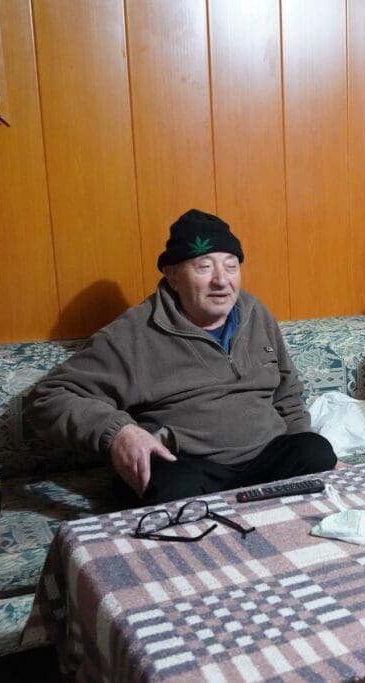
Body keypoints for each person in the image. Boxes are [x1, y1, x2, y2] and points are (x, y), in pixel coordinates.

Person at [29, 209, 336, 505]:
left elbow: (287, 392)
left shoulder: (255, 313)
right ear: (172, 275)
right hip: (188, 468)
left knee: (316, 452)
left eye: (231, 266)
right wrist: (118, 432)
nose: (221, 280)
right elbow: (48, 397)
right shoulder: (133, 334)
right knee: (174, 486)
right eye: (204, 267)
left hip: (264, 461)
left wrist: (313, 465)